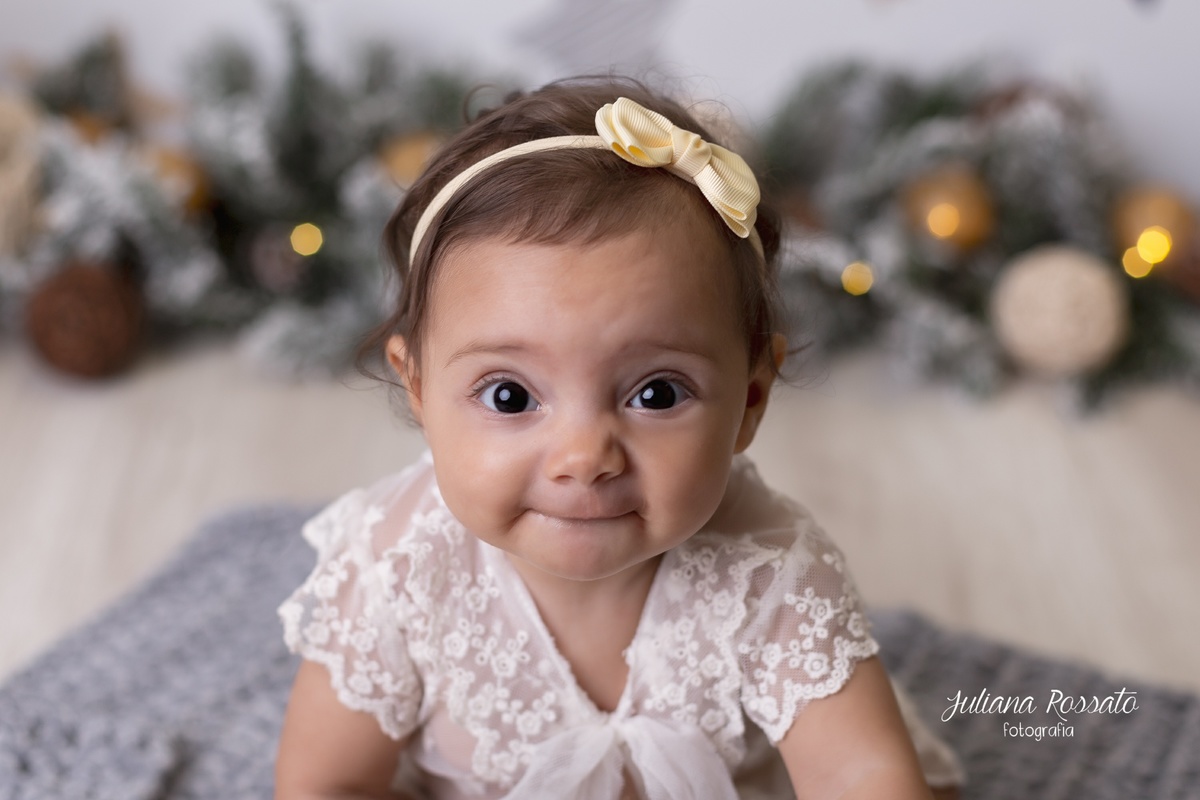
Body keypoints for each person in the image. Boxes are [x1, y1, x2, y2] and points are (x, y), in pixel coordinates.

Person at [274, 77, 965, 800]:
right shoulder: (398, 567)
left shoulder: (770, 574)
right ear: (418, 390)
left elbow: (859, 775)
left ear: (750, 401)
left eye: (656, 394)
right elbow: (327, 783)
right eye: (510, 396)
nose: (584, 458)